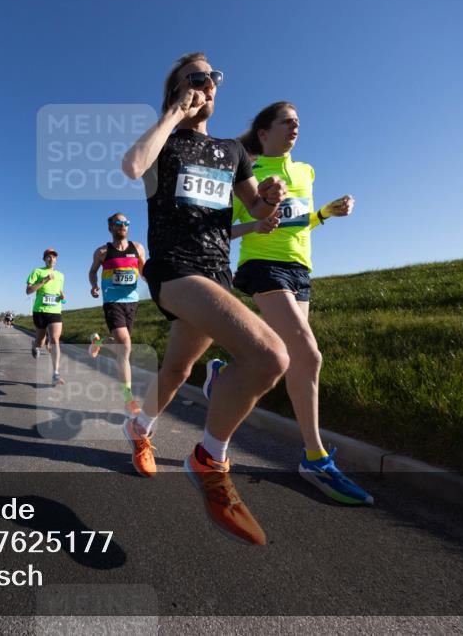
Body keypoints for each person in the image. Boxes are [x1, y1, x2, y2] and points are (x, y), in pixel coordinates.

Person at [120, 52, 289, 545]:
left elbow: (254, 208)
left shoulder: (232, 152)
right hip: (174, 271)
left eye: (213, 77)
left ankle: (139, 428)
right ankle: (209, 459)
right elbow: (132, 166)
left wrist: (270, 200)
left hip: (217, 272)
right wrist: (173, 113)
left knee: (177, 371)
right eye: (196, 78)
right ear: (177, 89)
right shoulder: (164, 144)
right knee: (268, 355)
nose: (208, 84)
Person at [210, 101, 371, 505]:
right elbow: (221, 230)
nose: (296, 126)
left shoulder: (306, 171)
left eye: (299, 121)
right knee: (310, 356)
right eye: (288, 121)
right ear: (264, 132)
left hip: (300, 269)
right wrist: (256, 221)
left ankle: (223, 374)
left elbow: (299, 220)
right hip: (262, 265)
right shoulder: (244, 171)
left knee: (288, 356)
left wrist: (325, 213)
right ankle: (315, 459)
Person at [87, 212, 146, 415]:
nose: (123, 225)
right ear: (110, 227)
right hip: (112, 302)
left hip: (132, 302)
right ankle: (128, 398)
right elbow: (92, 271)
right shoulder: (102, 251)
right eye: (118, 223)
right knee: (126, 346)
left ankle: (98, 342)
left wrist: (156, 284)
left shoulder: (138, 248)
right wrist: (94, 286)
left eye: (126, 222)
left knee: (121, 347)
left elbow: (143, 271)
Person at [26, 249, 66, 386]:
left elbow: (59, 290)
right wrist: (44, 280)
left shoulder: (61, 275)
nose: (51, 259)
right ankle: (34, 345)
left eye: (54, 257)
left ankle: (55, 373)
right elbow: (28, 291)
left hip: (55, 310)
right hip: (40, 311)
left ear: (56, 260)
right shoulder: (37, 271)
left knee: (55, 339)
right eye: (48, 257)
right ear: (44, 259)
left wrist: (62, 295)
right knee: (41, 342)